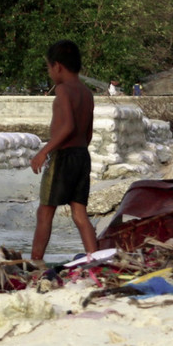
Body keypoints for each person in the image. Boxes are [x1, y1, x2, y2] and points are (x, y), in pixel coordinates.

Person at [29, 40, 98, 263]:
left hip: (64, 156)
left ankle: (36, 261)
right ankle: (95, 258)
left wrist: (44, 151)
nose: (49, 73)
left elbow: (67, 126)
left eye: (48, 68)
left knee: (45, 212)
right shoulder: (87, 92)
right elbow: (87, 132)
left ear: (57, 66)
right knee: (79, 213)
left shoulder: (63, 89)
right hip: (81, 155)